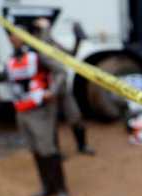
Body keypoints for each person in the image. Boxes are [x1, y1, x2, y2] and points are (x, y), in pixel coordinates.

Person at [0, 29, 70, 196]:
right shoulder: (11, 59)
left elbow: (61, 71)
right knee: (35, 150)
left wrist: (52, 92)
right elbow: (3, 78)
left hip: (41, 111)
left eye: (16, 34)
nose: (13, 38)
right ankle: (47, 187)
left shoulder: (37, 55)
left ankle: (61, 189)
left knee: (48, 149)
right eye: (10, 35)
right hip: (21, 111)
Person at [32, 17, 95, 156]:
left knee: (76, 117)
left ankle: (82, 146)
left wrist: (78, 39)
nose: (48, 30)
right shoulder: (36, 46)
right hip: (49, 91)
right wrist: (52, 91)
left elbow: (70, 54)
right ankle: (55, 152)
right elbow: (54, 66)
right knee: (51, 123)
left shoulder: (51, 43)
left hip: (62, 89)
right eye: (45, 28)